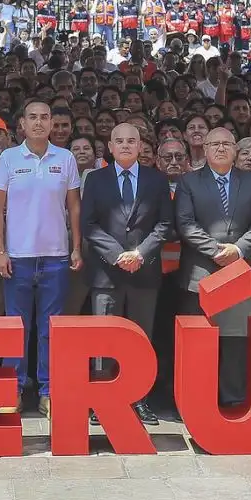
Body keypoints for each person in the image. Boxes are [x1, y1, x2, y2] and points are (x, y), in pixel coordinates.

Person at [0, 99, 82, 417]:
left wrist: (76, 247)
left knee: (49, 329)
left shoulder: (66, 158)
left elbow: (74, 208)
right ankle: (11, 390)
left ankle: (49, 391)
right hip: (17, 257)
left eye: (46, 118)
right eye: (33, 117)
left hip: (56, 257)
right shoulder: (8, 158)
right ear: (22, 124)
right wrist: (0, 251)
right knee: (16, 327)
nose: (40, 123)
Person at [80, 121, 174, 425]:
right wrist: (116, 255)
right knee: (102, 339)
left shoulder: (156, 180)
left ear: (140, 145)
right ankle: (100, 400)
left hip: (144, 271)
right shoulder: (94, 179)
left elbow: (164, 225)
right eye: (118, 141)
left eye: (130, 140)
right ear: (109, 146)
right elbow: (88, 225)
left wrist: (140, 254)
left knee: (141, 339)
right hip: (106, 273)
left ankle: (139, 399)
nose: (124, 145)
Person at [176, 126, 251, 407]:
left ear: (235, 151)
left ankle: (232, 401)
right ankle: (195, 402)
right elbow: (185, 223)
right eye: (214, 144)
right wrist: (215, 250)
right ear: (204, 149)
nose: (220, 148)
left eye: (226, 144)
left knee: (234, 341)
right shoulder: (188, 182)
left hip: (239, 273)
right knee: (198, 343)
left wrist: (238, 249)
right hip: (200, 274)